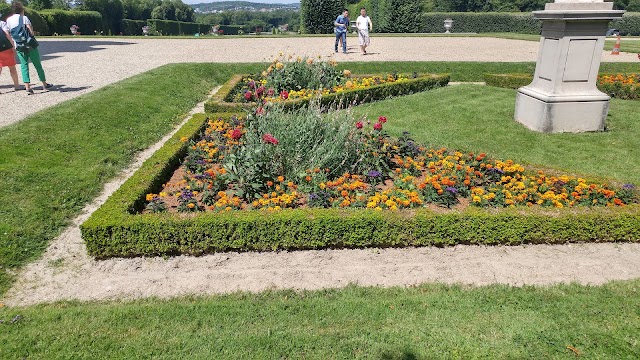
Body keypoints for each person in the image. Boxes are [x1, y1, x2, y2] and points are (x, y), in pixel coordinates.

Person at [6, 1, 52, 95]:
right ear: (21, 9)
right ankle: (44, 83)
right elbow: (30, 31)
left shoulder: (9, 20)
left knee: (24, 66)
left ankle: (27, 86)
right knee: (37, 64)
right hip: (29, 45)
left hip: (19, 45)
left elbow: (9, 33)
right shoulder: (24, 18)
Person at [0, 13, 21, 93]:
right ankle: (16, 86)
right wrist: (12, 45)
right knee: (12, 68)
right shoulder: (2, 23)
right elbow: (7, 34)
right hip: (5, 48)